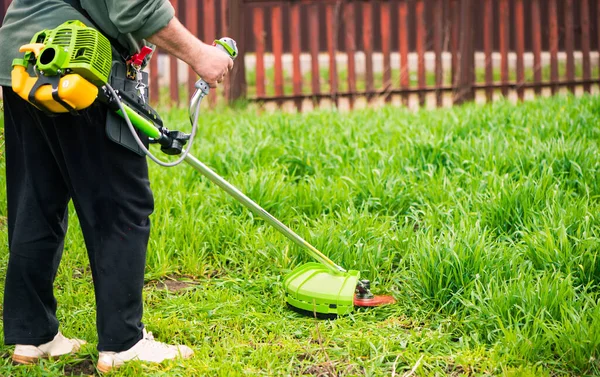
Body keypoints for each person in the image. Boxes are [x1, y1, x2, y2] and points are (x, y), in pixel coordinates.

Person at [0, 0, 233, 372]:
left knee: (37, 201)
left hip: (22, 61)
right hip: (78, 63)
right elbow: (134, 7)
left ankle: (34, 334)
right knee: (121, 205)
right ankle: (124, 343)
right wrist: (200, 55)